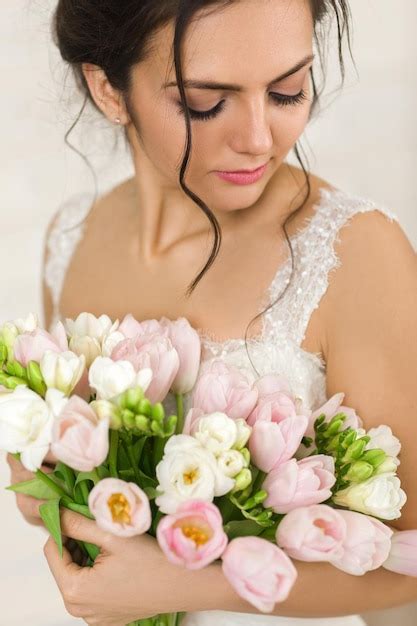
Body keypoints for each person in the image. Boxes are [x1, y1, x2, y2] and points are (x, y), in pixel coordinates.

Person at [7, 0, 417, 625]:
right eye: (206, 102)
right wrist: (51, 489)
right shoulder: (70, 240)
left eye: (287, 91)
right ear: (107, 89)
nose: (259, 137)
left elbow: (410, 560)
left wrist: (183, 587)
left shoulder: (355, 253)